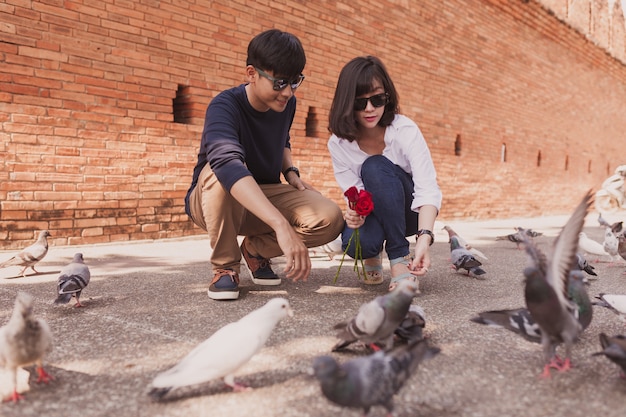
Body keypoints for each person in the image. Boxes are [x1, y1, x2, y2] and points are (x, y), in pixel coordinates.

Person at [185, 29, 344, 300]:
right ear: (251, 73)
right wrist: (280, 225)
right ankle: (225, 267)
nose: (288, 92)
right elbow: (228, 164)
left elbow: (283, 141)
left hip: (264, 194)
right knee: (217, 172)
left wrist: (291, 173)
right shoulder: (224, 106)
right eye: (280, 82)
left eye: (295, 82)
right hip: (213, 199)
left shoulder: (285, 104)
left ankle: (256, 250)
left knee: (330, 218)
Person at [327, 55, 442, 292]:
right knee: (356, 243)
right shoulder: (338, 144)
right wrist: (354, 213)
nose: (369, 109)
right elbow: (355, 194)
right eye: (360, 102)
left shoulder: (404, 130)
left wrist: (424, 238)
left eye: (377, 99)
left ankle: (399, 257)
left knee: (375, 165)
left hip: (407, 212)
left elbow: (427, 189)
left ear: (387, 98)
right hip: (376, 210)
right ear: (347, 103)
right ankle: (373, 254)